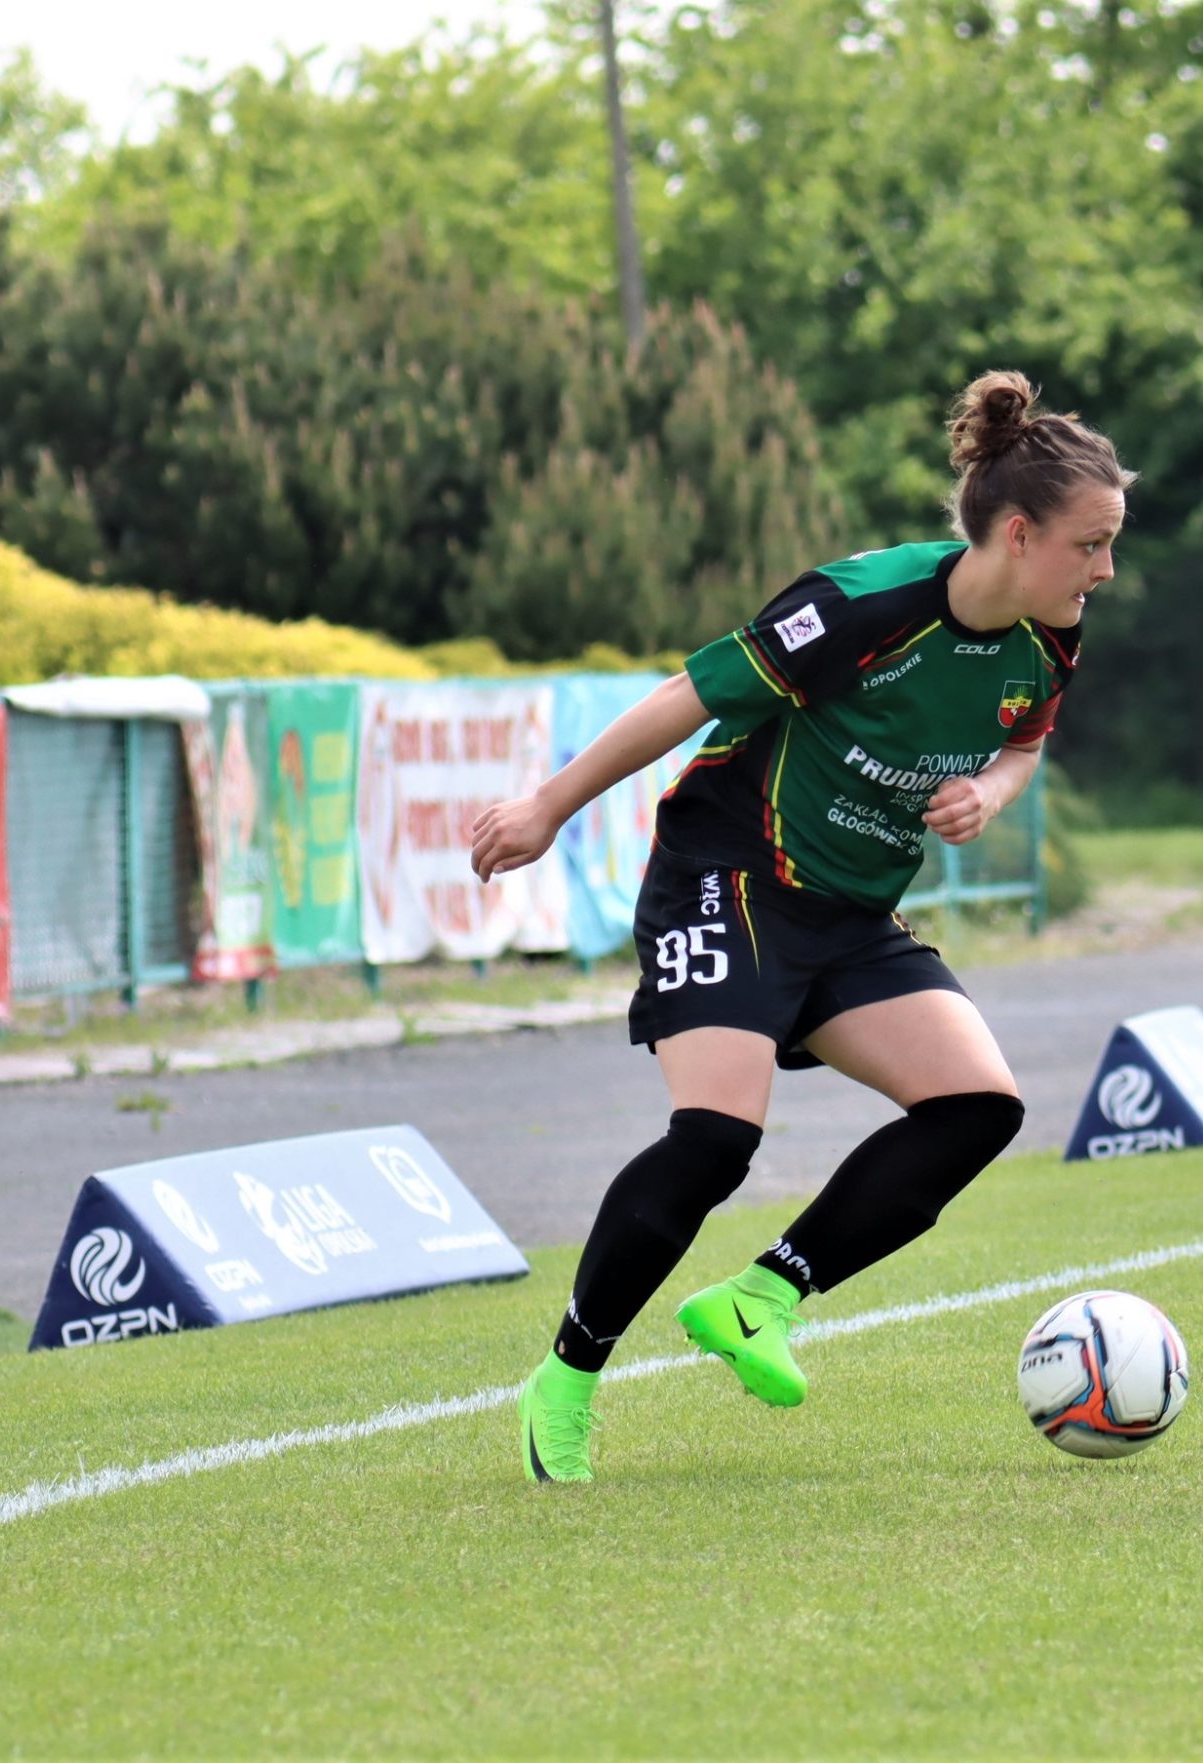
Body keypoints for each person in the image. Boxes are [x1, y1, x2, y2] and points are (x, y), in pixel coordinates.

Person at [471, 371, 1131, 1484]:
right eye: (1092, 543)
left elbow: (1023, 741)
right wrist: (547, 805)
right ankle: (567, 1379)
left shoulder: (1051, 628)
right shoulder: (861, 605)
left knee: (976, 1107)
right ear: (1018, 533)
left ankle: (762, 1296)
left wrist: (991, 792)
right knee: (715, 1138)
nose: (1105, 570)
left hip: (852, 911)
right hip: (727, 874)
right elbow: (689, 694)